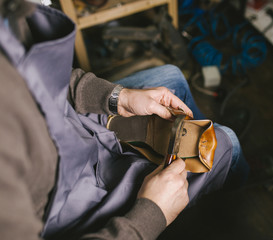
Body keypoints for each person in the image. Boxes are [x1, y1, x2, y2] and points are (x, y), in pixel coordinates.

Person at [0, 1, 248, 240]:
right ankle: (241, 198)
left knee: (171, 79)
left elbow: (42, 78)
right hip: (68, 201)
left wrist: (117, 97)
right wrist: (152, 213)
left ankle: (211, 174)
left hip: (71, 126)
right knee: (227, 142)